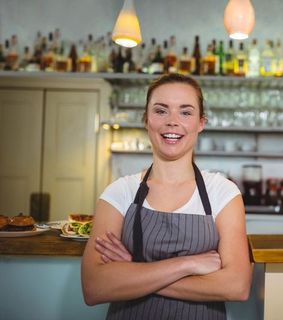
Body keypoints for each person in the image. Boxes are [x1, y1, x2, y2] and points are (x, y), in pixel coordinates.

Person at [81, 73, 252, 319]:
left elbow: (236, 286)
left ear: (200, 123)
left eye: (185, 112)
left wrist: (134, 271)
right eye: (161, 111)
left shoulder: (223, 192)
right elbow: (94, 287)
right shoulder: (119, 192)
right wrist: (188, 265)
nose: (172, 122)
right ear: (146, 120)